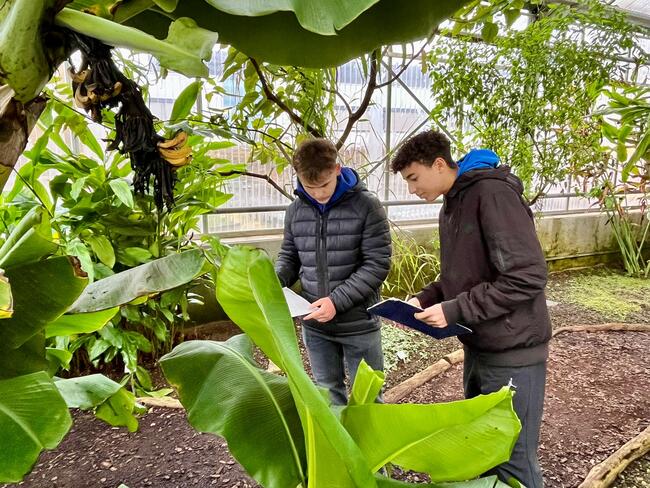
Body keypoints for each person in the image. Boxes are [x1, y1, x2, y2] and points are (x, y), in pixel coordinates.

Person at [391, 130, 551, 488]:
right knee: (484, 448)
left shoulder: (492, 193)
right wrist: (425, 298)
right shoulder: (453, 201)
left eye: (414, 178)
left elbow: (527, 276)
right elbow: (462, 275)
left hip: (515, 351)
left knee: (513, 458)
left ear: (439, 164)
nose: (412, 189)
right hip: (480, 347)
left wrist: (456, 309)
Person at [275, 138, 391, 405]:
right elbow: (290, 257)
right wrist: (273, 280)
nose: (318, 193)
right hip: (315, 324)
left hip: (358, 323)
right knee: (328, 395)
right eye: (309, 187)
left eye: (324, 184)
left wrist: (336, 301)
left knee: (369, 398)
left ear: (337, 169)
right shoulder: (295, 211)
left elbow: (377, 264)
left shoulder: (367, 206)